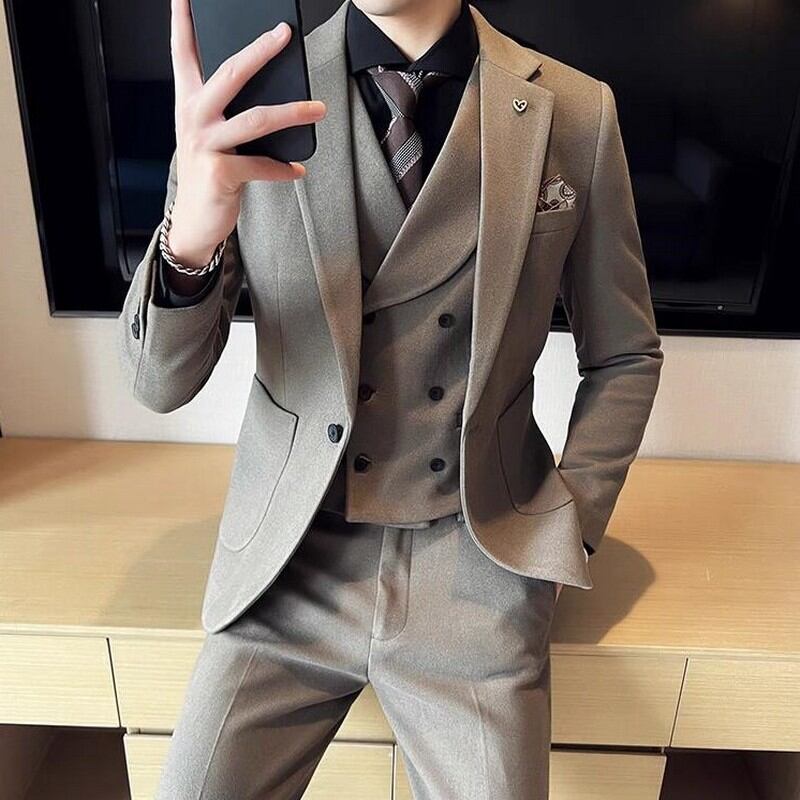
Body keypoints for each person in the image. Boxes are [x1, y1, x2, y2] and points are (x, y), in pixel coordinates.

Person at [117, 0, 664, 797]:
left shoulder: (576, 111)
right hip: (288, 564)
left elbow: (625, 354)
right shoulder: (249, 92)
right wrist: (190, 240)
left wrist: (563, 535)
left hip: (477, 568)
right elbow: (158, 382)